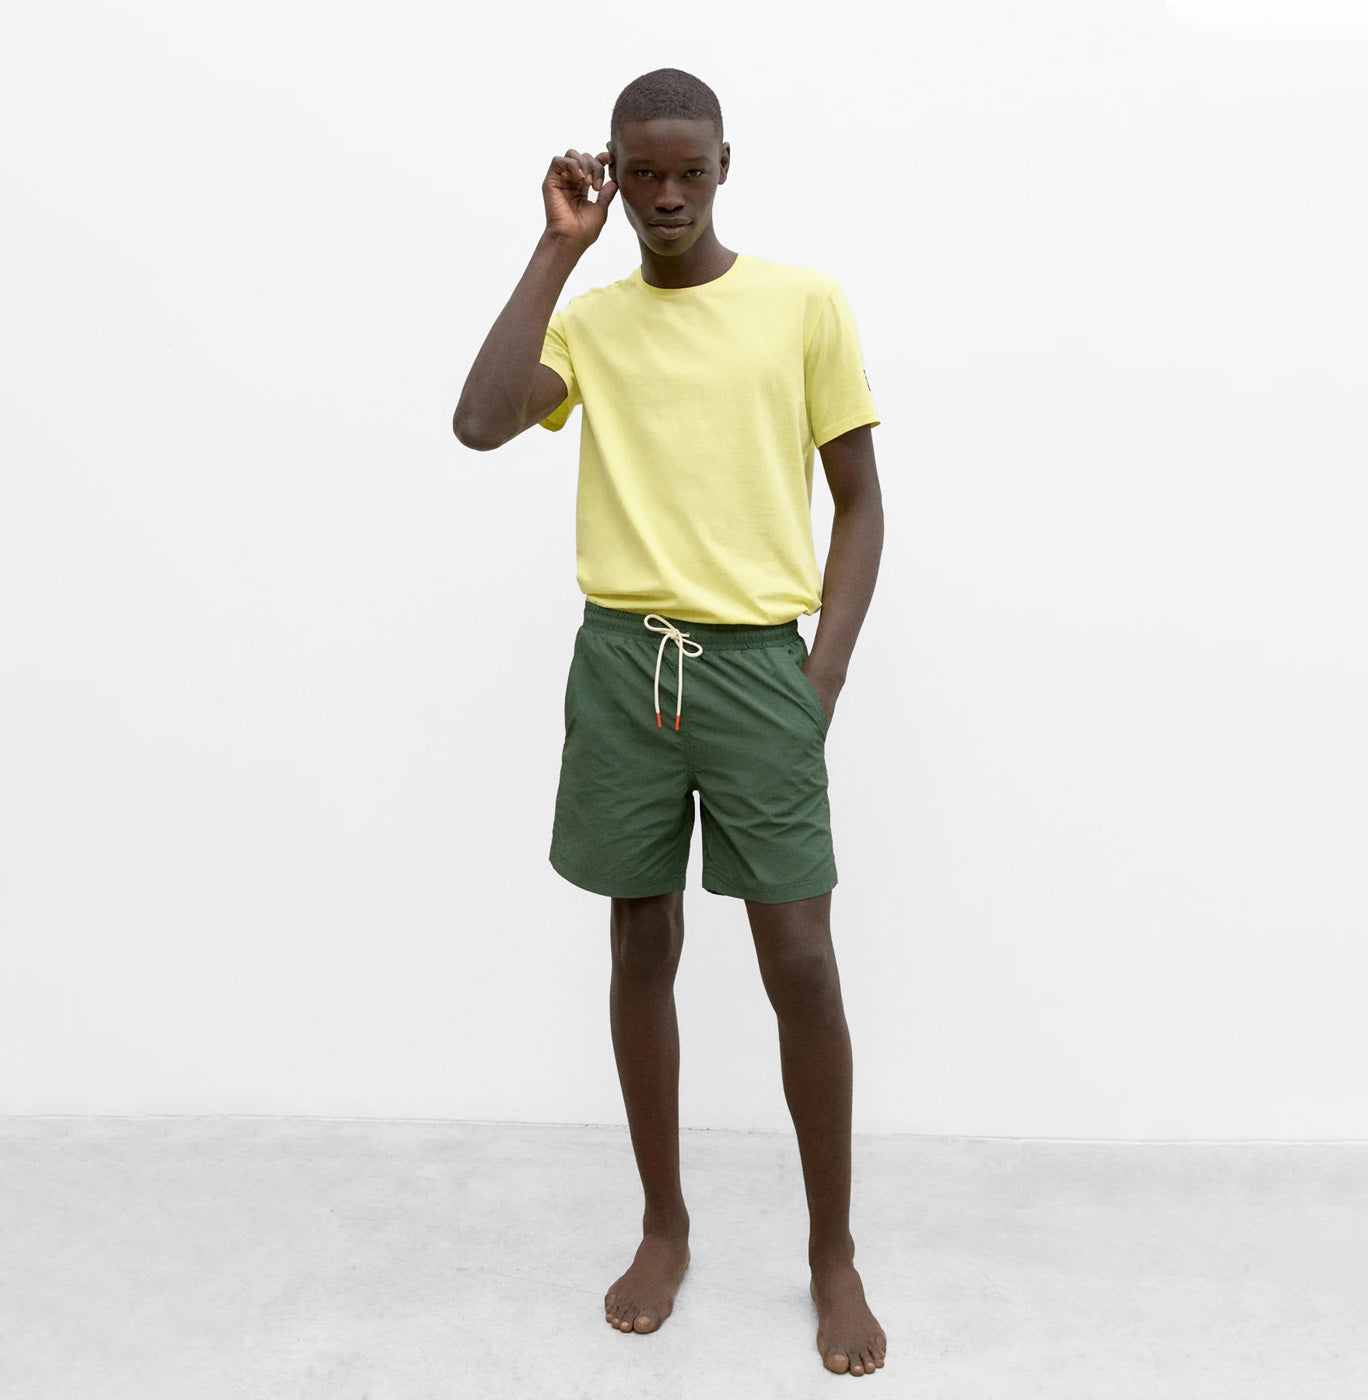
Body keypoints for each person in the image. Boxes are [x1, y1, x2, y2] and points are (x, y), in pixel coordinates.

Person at [453, 68, 887, 1378]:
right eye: (640, 174)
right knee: (640, 942)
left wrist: (821, 679)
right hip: (623, 669)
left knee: (800, 959)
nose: (665, 196)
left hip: (759, 671)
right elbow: (478, 423)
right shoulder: (591, 323)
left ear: (724, 165)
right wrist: (556, 247)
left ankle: (832, 1254)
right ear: (612, 172)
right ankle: (664, 1225)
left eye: (688, 171)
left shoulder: (803, 305)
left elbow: (861, 501)